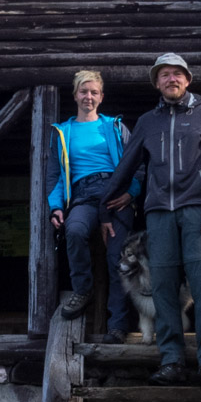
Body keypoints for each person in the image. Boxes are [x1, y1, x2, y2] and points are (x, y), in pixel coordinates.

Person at [100, 53, 201, 386]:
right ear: (156, 82)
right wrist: (104, 206)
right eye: (164, 75)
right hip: (158, 213)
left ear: (187, 80)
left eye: (177, 74)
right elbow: (127, 165)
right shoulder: (147, 121)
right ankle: (171, 360)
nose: (171, 79)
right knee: (162, 289)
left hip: (196, 210)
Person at [48, 69, 139, 333]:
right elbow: (54, 175)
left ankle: (118, 326)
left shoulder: (114, 127)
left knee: (116, 259)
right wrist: (55, 207)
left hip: (114, 194)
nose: (89, 96)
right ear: (75, 95)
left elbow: (138, 165)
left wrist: (130, 193)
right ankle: (82, 290)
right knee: (74, 231)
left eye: (94, 92)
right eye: (84, 91)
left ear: (101, 97)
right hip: (83, 194)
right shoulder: (62, 132)